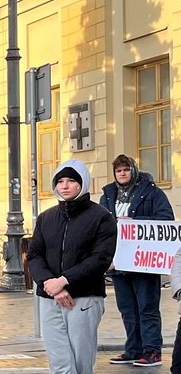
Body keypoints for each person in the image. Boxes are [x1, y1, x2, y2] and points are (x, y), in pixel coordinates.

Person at [28, 158, 116, 374]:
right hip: (50, 297)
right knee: (59, 361)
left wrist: (64, 281)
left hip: (84, 297)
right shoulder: (45, 218)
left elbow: (100, 258)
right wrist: (50, 284)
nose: (64, 186)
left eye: (71, 181)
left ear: (82, 183)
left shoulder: (101, 217)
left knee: (80, 361)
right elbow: (34, 254)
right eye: (60, 181)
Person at [102, 154, 174, 367]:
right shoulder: (108, 194)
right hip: (118, 262)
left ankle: (152, 351)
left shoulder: (152, 192)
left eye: (126, 169)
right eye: (118, 170)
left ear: (133, 170)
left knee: (147, 308)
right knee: (127, 309)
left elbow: (166, 220)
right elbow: (101, 225)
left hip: (143, 263)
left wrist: (135, 222)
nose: (122, 173)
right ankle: (133, 349)